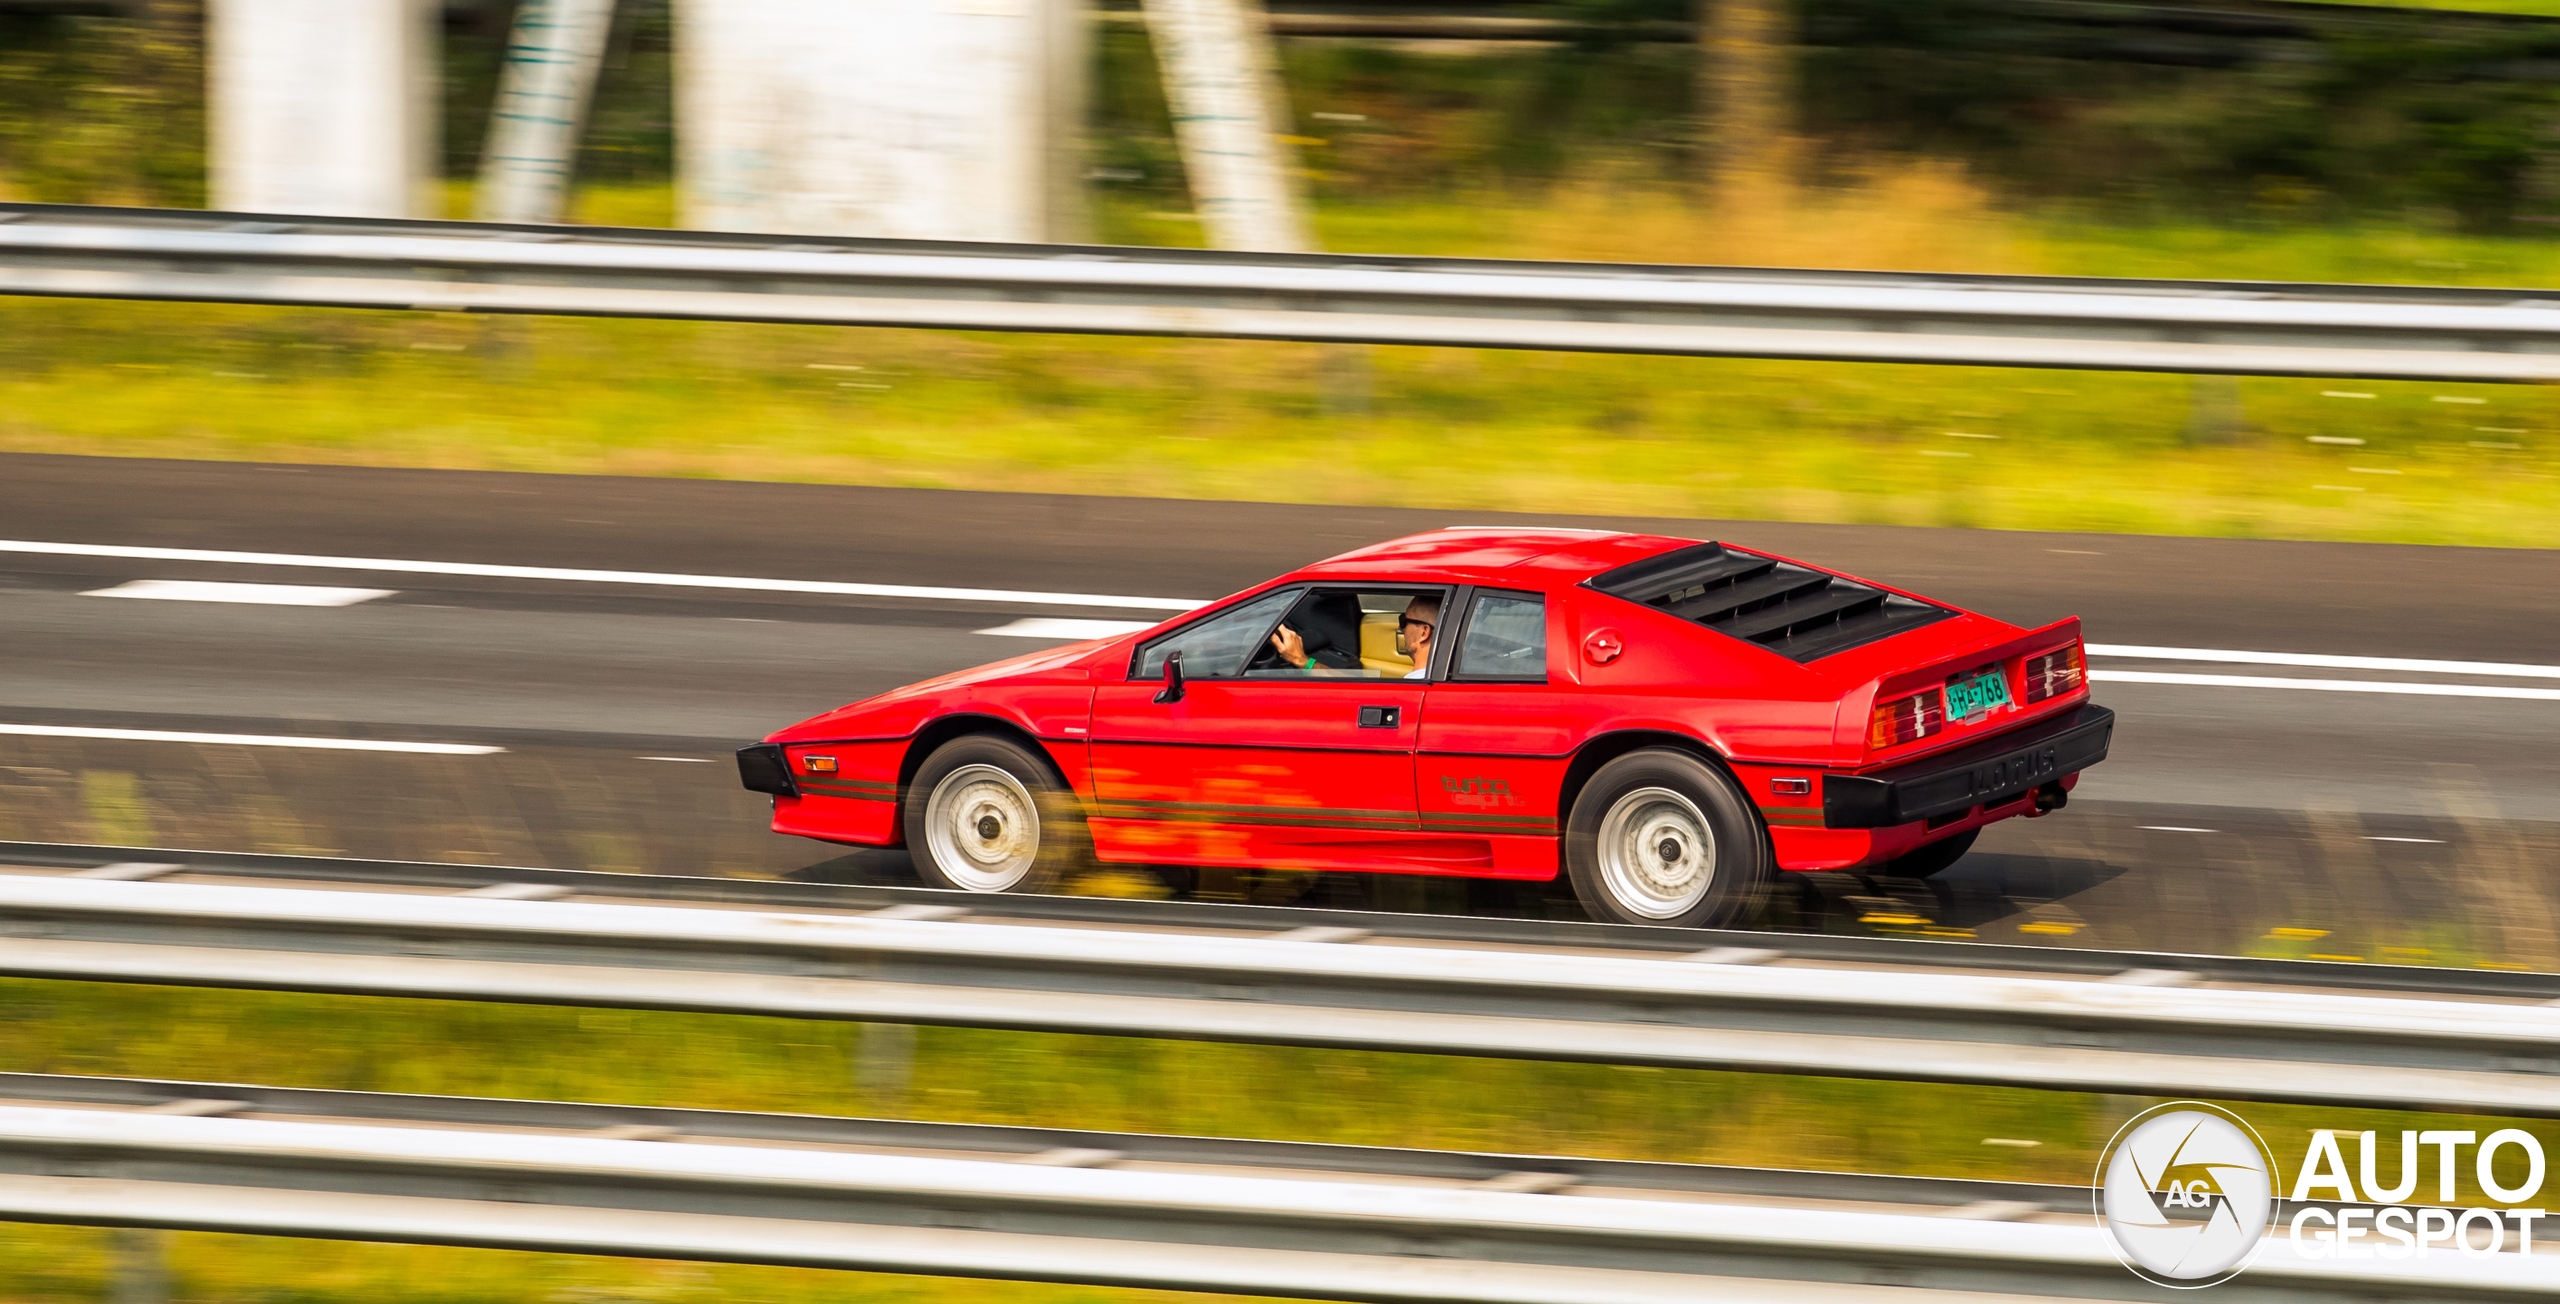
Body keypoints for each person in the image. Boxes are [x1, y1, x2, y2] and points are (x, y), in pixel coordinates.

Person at [1267, 595, 1438, 678]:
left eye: (1404, 620)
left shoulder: (1419, 684)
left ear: (1423, 633)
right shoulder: (1436, 677)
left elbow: (1361, 698)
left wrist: (1301, 660)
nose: (1400, 627)